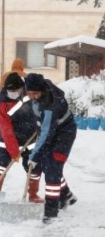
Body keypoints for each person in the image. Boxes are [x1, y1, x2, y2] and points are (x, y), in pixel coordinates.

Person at [24, 73, 78, 222]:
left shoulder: (50, 106)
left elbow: (47, 135)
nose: (32, 96)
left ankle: (51, 211)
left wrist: (34, 156)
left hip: (64, 134)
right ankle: (66, 195)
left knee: (53, 167)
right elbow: (44, 127)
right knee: (48, 165)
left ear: (41, 91)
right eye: (29, 93)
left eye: (35, 93)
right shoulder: (40, 93)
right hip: (52, 129)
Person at [0, 73, 43, 202]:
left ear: (22, 88)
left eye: (15, 90)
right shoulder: (3, 102)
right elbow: (5, 128)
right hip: (6, 140)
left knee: (34, 168)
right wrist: (13, 151)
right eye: (10, 90)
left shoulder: (29, 91)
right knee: (0, 166)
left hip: (30, 138)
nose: (12, 93)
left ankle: (33, 195)